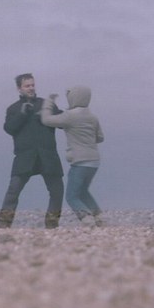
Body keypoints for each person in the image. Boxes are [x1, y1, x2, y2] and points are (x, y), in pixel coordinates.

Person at [0, 73, 65, 229]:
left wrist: (51, 116)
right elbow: (9, 128)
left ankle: (52, 224)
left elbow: (63, 122)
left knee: (57, 191)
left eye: (32, 85)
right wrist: (22, 114)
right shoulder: (14, 108)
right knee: (13, 190)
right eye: (27, 86)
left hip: (48, 156)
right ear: (19, 88)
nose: (31, 88)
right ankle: (3, 225)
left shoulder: (46, 105)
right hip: (25, 157)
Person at [40, 85, 105, 226]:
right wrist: (86, 138)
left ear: (74, 98)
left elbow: (46, 120)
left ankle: (86, 218)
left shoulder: (70, 116)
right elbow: (100, 138)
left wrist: (48, 103)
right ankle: (99, 216)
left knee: (71, 196)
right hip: (94, 162)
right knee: (83, 191)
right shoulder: (93, 117)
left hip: (80, 162)